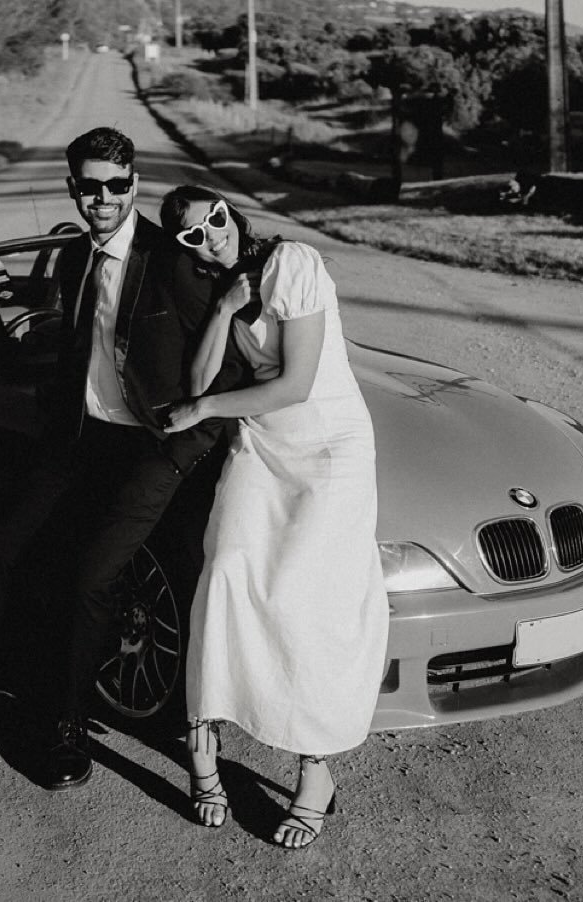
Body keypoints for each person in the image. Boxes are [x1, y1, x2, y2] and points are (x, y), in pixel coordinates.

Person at [0, 129, 239, 799]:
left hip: (150, 450)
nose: (103, 199)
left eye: (116, 186)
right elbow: (75, 358)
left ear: (134, 185)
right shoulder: (73, 259)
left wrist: (179, 455)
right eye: (89, 187)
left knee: (90, 577)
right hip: (78, 443)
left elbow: (225, 372)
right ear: (73, 188)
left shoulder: (171, 261)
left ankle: (67, 725)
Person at [159, 186, 388, 849]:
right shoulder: (219, 291)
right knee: (226, 572)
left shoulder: (292, 263)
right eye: (193, 234)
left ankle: (315, 772)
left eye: (216, 218)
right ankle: (202, 749)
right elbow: (198, 382)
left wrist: (204, 410)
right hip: (261, 444)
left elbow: (295, 383)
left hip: (329, 449)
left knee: (301, 602)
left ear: (231, 212)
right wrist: (224, 308)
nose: (212, 235)